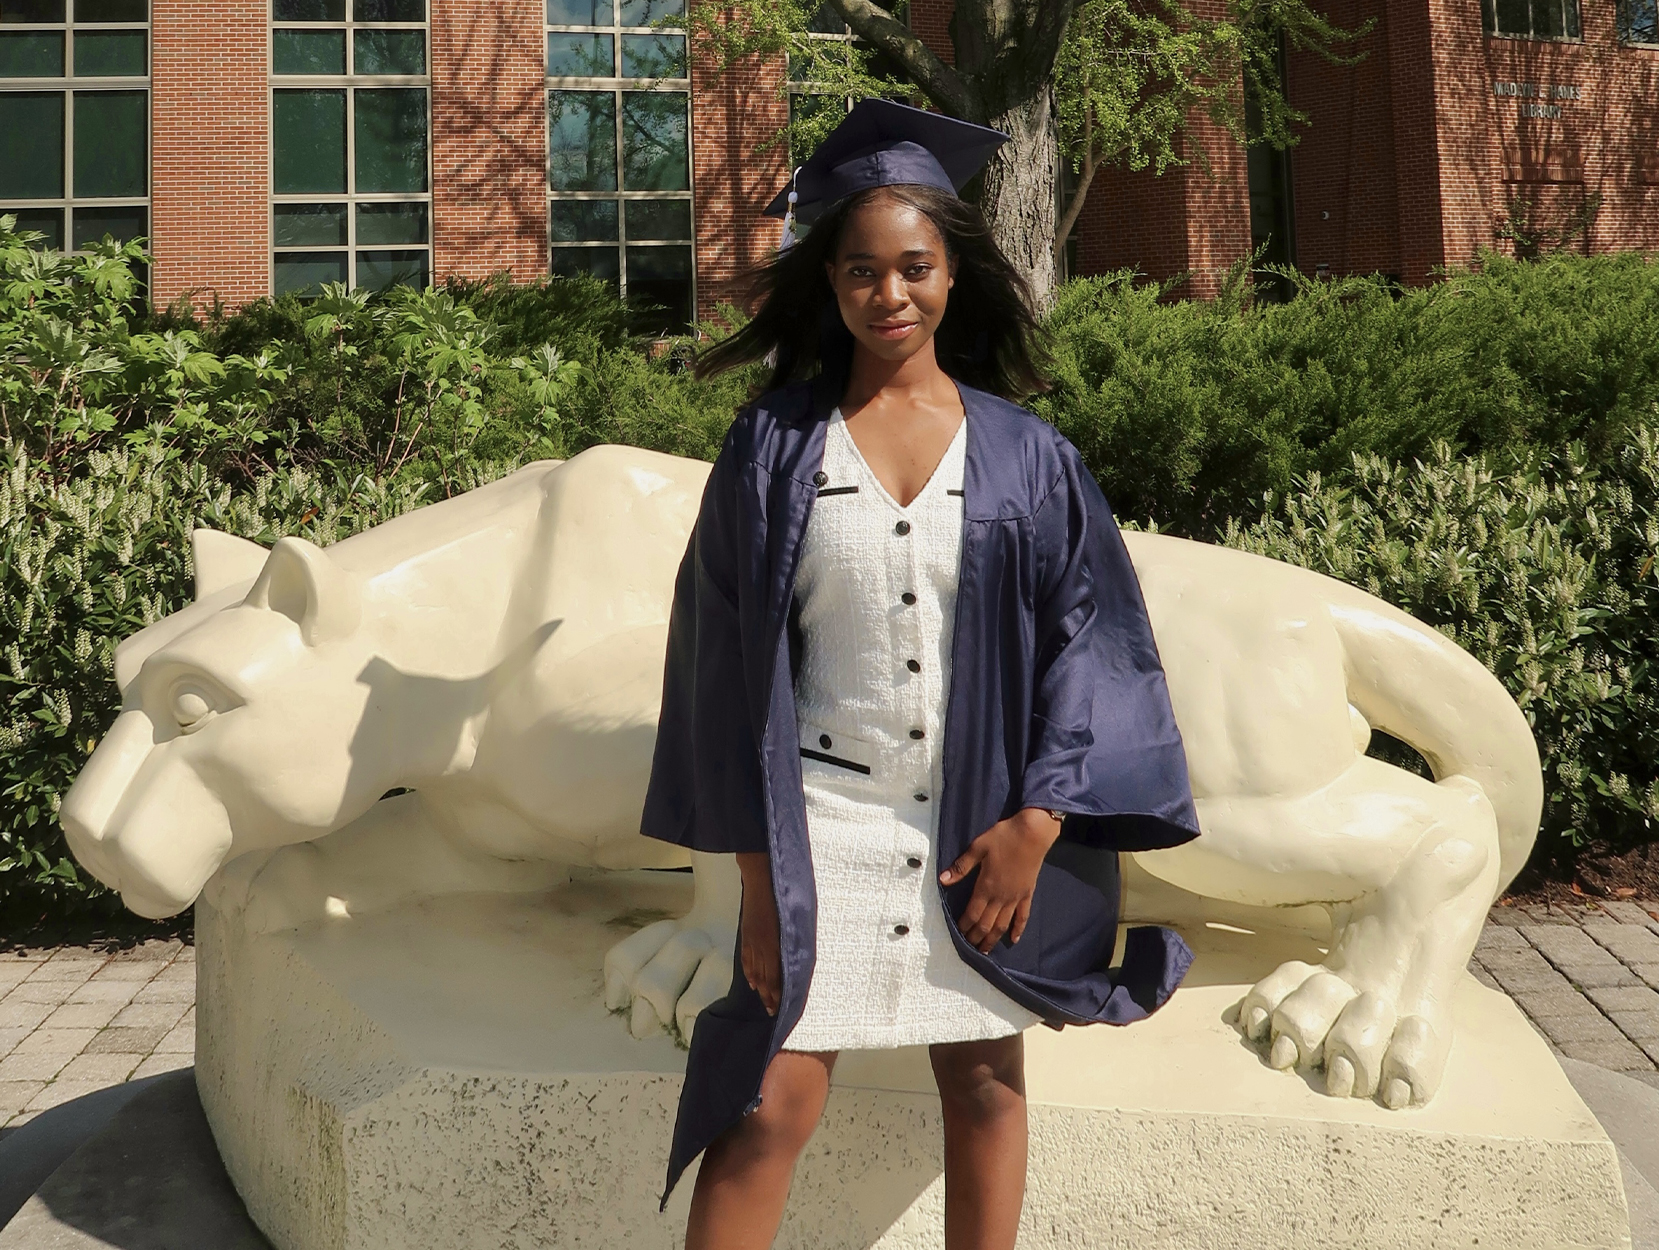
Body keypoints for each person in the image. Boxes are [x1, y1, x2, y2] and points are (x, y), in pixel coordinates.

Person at [640, 99, 1201, 1250]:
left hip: (981, 822)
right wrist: (755, 877)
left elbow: (1091, 645)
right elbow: (722, 665)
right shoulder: (775, 447)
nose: (888, 293)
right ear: (831, 285)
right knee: (765, 1102)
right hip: (822, 820)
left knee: (986, 1079)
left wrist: (1038, 823)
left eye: (914, 267)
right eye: (861, 271)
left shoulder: (1028, 456)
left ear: (953, 276)